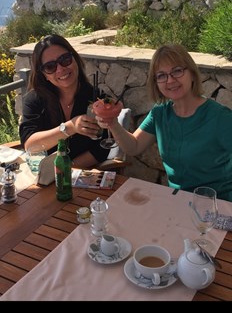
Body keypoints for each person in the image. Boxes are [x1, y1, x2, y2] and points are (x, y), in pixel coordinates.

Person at [97, 43, 232, 202]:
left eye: (177, 71)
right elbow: (133, 146)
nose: (170, 80)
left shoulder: (220, 117)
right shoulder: (160, 113)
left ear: (192, 73)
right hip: (176, 202)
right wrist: (112, 123)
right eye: (161, 75)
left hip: (217, 207)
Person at [19, 34, 110, 168]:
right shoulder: (35, 99)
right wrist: (70, 127)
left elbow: (101, 150)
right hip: (44, 178)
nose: (61, 69)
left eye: (65, 59)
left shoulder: (95, 98)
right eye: (50, 67)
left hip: (79, 176)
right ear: (44, 75)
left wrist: (65, 169)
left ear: (75, 59)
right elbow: (30, 145)